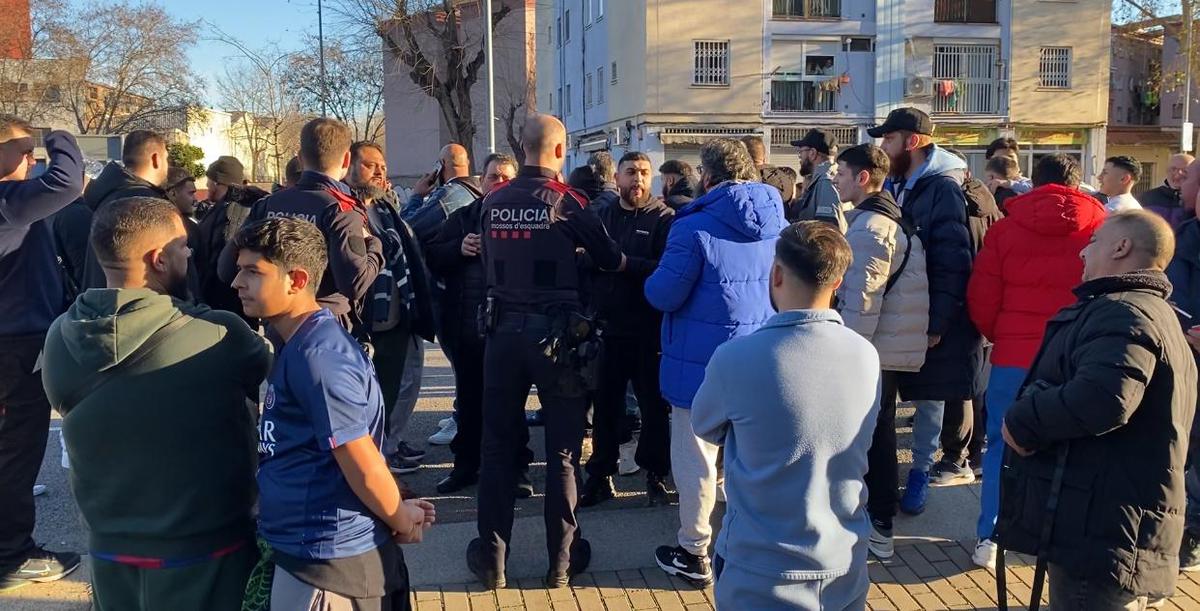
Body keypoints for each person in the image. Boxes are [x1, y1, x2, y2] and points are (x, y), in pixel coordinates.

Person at [41, 196, 269, 609]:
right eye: (183, 247)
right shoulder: (219, 334)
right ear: (158, 258)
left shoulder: (59, 336)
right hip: (207, 552)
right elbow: (265, 370)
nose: (190, 254)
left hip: (110, 554)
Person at [997, 210, 1197, 609]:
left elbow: (1105, 399)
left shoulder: (1125, 311)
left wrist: (1023, 421)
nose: (1083, 254)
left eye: (1094, 242)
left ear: (1122, 247)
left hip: (1101, 529)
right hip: (1110, 522)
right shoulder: (1151, 312)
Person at [231, 217, 433, 609]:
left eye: (252, 272)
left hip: (327, 562)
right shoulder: (305, 344)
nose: (237, 282)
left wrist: (401, 520)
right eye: (240, 269)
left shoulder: (318, 359)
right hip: (309, 551)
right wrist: (399, 507)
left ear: (298, 279)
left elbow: (361, 462)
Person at [467, 114, 624, 590]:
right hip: (557, 341)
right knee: (562, 453)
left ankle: (492, 561)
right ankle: (562, 560)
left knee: (495, 450)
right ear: (560, 152)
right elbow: (610, 260)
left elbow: (492, 261)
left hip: (501, 336)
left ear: (523, 147)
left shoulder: (492, 201)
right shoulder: (569, 203)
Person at [692, 221, 878, 610]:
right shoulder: (866, 355)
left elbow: (703, 424)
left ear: (776, 274)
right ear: (838, 281)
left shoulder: (736, 358)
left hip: (760, 568)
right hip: (845, 558)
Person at [646, 137, 786, 585]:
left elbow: (663, 293)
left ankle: (694, 550)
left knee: (697, 460)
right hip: (758, 355)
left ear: (706, 177)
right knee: (747, 456)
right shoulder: (778, 220)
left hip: (699, 363)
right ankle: (748, 544)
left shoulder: (692, 228)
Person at [965, 153, 1107, 571]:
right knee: (1071, 444)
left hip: (1013, 353)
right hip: (1075, 354)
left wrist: (998, 334)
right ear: (1078, 183)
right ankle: (1057, 536)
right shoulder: (1100, 227)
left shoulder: (1006, 228)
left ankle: (990, 536)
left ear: (1034, 181)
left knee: (1000, 446)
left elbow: (983, 295)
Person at [871, 107, 985, 514]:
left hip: (931, 317)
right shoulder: (902, 182)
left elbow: (952, 260)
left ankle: (920, 471)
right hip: (901, 312)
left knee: (931, 398)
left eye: (889, 139)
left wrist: (937, 323)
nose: (882, 146)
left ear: (912, 142)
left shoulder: (942, 188)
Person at [833, 143, 930, 560]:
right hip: (886, 342)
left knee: (875, 434)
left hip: (875, 346)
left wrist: (846, 352)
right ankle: (878, 517)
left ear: (863, 177)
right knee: (877, 431)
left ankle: (880, 524)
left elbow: (862, 299)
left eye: (841, 172)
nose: (835, 179)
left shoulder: (871, 226)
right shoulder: (882, 217)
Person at [0, 116, 83, 592]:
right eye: (24, 149)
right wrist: (58, 132)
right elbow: (67, 180)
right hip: (14, 347)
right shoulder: (9, 203)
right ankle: (11, 556)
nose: (33, 158)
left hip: (11, 339)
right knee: (15, 451)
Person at [425, 153, 533, 495]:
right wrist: (458, 248)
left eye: (505, 178)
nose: (497, 183)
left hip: (512, 329)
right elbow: (432, 257)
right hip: (468, 328)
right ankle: (466, 467)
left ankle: (517, 470)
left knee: (511, 404)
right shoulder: (461, 218)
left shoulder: (528, 218)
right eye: (492, 177)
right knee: (470, 403)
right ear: (480, 181)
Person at [218, 117, 385, 338]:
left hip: (277, 325)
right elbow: (354, 284)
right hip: (326, 326)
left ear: (300, 157)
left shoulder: (267, 205)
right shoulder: (341, 210)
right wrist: (375, 246)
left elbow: (225, 269)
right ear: (346, 160)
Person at [579, 151, 675, 508]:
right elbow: (583, 258)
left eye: (644, 173)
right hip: (607, 328)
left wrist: (623, 264)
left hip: (649, 329)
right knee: (606, 407)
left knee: (653, 408)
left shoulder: (664, 218)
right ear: (616, 178)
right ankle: (600, 476)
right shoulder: (600, 215)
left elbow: (665, 268)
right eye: (631, 172)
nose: (637, 179)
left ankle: (655, 476)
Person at [347, 141, 431, 475]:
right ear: (348, 166)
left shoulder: (384, 207)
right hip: (369, 319)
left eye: (382, 165)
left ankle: (389, 444)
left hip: (401, 311)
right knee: (374, 392)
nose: (380, 172)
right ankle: (376, 458)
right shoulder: (346, 210)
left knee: (399, 386)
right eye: (371, 165)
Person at [80, 130, 171, 291]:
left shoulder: (107, 198)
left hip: (103, 304)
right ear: (156, 159)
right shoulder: (147, 205)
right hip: (145, 308)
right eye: (166, 159)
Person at [196, 156, 268, 317]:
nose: (207, 185)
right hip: (222, 301)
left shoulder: (234, 210)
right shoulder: (225, 207)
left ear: (217, 182)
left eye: (209, 180)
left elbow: (226, 256)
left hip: (225, 303)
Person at [402, 143, 482, 245]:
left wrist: (416, 197)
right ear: (467, 162)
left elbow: (407, 228)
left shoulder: (447, 196)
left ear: (441, 165)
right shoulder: (479, 189)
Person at [789, 128, 846, 230]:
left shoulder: (827, 182)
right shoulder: (829, 178)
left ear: (812, 153)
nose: (799, 157)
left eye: (801, 151)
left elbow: (828, 232)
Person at [1140, 153, 1194, 229]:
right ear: (1167, 170)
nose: (1178, 174)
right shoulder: (1147, 197)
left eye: (1185, 170)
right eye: (1173, 169)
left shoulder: (1196, 199)